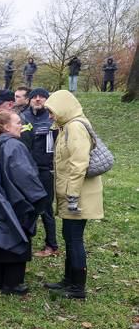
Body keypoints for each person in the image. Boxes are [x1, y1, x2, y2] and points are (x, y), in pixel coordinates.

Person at [0, 111, 47, 295]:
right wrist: (37, 198)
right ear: (6, 127)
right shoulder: (14, 146)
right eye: (17, 122)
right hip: (14, 202)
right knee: (15, 235)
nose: (21, 125)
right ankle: (12, 283)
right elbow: (25, 176)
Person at [43, 90, 104, 300]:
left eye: (52, 111)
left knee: (74, 239)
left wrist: (72, 196)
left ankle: (77, 288)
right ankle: (69, 280)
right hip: (73, 194)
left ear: (63, 107)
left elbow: (79, 164)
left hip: (78, 196)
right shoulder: (67, 126)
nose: (50, 116)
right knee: (69, 238)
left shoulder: (75, 127)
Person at [20, 88, 59, 258]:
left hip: (45, 170)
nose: (37, 100)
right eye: (34, 97)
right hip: (25, 169)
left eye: (41, 97)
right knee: (25, 206)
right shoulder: (22, 117)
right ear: (29, 100)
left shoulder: (53, 117)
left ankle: (52, 245)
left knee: (46, 208)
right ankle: (23, 242)